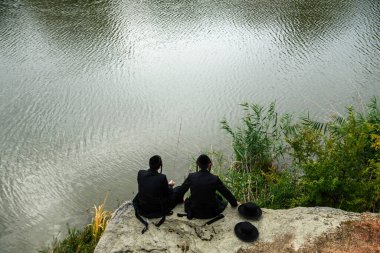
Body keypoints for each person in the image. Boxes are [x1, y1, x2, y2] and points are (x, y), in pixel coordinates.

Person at [179, 154, 238, 219]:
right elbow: (226, 193)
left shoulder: (191, 176)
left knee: (190, 199)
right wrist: (234, 203)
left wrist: (180, 200)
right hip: (210, 213)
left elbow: (181, 190)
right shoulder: (214, 178)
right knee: (219, 198)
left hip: (194, 212)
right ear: (209, 165)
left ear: (198, 164)